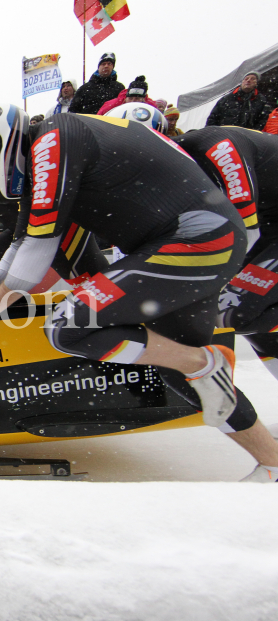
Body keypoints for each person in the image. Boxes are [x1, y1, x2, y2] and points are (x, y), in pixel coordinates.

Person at [0, 103, 253, 460]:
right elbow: (20, 244)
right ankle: (271, 460)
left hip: (199, 238)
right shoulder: (43, 155)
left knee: (68, 325)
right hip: (193, 239)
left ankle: (203, 362)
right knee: (176, 369)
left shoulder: (53, 140)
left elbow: (39, 248)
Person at [174, 126, 278, 480]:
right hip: (267, 224)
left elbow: (245, 233)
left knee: (240, 308)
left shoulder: (219, 148)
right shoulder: (172, 167)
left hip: (261, 228)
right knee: (250, 319)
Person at [206, 71, 275, 130]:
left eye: (253, 79)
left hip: (247, 138)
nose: (248, 80)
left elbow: (263, 121)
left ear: (256, 83)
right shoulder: (226, 99)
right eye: (246, 79)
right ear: (242, 82)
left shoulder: (261, 101)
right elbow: (212, 118)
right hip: (225, 136)